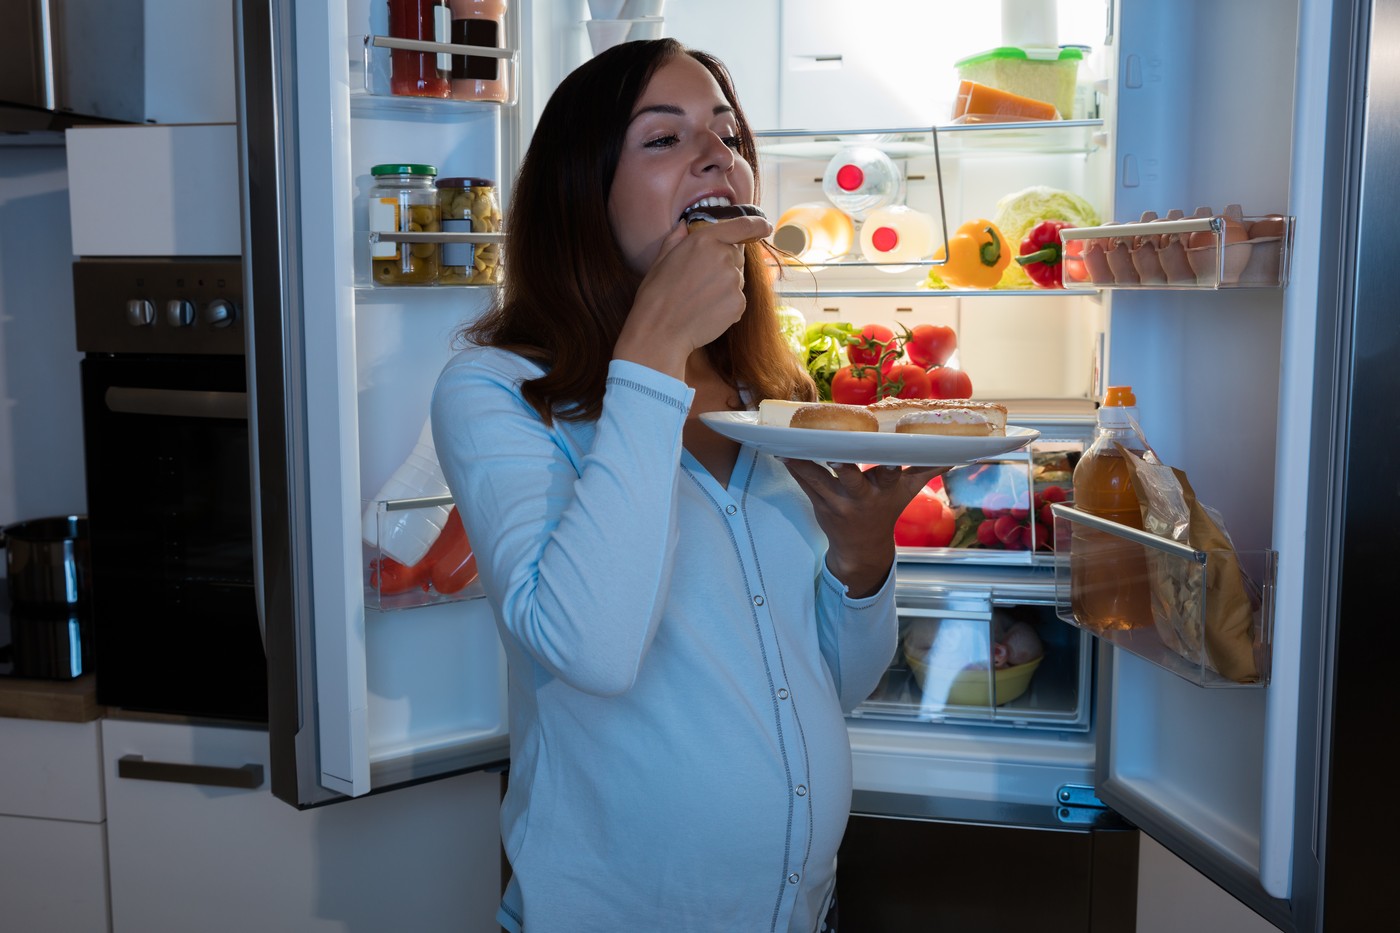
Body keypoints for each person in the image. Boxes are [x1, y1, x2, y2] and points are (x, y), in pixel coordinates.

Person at [430, 38, 942, 933]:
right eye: (663, 140)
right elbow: (592, 648)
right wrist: (652, 354)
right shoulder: (497, 391)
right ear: (581, 194)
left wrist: (862, 564)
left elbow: (831, 685)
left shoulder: (772, 399)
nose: (716, 154)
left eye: (728, 132)